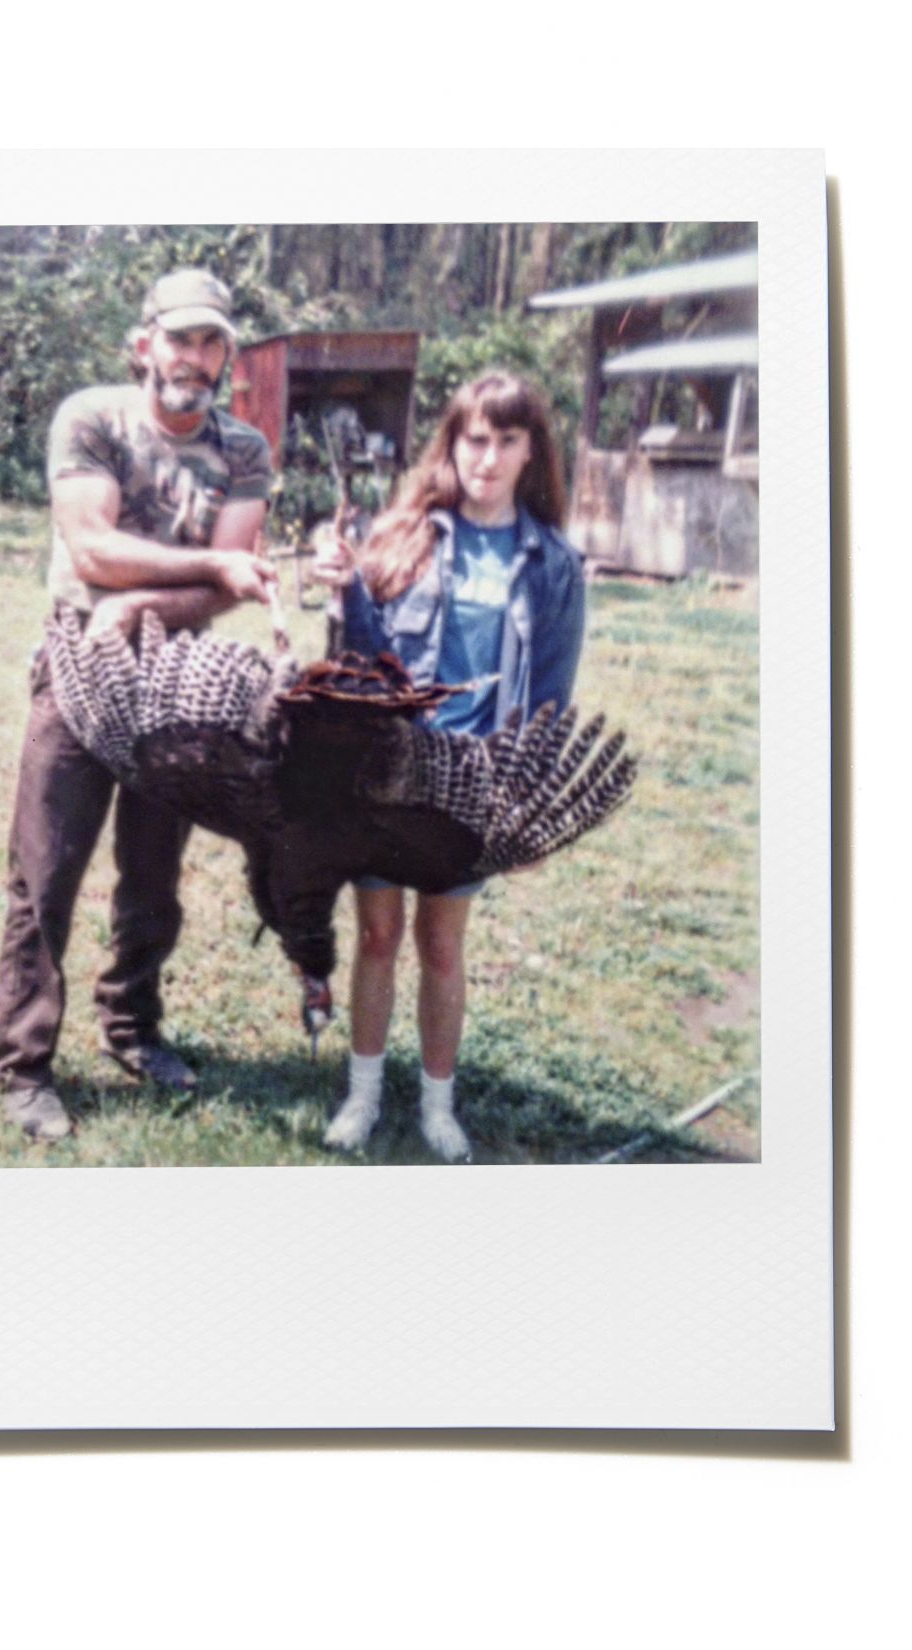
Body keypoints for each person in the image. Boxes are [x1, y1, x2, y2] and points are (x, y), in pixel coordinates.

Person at [0, 269, 276, 1141]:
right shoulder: (92, 417)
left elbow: (231, 589)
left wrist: (152, 602)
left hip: (178, 681)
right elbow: (93, 550)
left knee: (153, 871)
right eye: (179, 337)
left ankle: (132, 1025)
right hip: (80, 661)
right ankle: (23, 1062)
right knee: (49, 869)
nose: (194, 357)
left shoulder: (246, 450)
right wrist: (200, 570)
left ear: (227, 354)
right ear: (143, 341)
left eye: (211, 341)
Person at [313, 371, 587, 1162]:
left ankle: (438, 1105)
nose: (489, 457)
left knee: (440, 943)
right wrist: (345, 593)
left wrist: (527, 806)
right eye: (476, 438)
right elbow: (360, 661)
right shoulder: (404, 533)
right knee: (376, 933)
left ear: (531, 450)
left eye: (507, 440)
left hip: (473, 783)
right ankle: (362, 1096)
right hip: (387, 770)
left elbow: (549, 699)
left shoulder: (553, 565)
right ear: (454, 443)